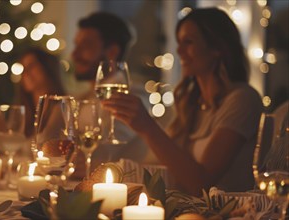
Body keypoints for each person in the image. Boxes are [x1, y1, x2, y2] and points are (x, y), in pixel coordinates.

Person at [101, 8, 262, 195]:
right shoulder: (188, 103)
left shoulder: (243, 99)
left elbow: (201, 183)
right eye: (179, 42)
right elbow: (157, 163)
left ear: (217, 48)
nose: (178, 50)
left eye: (188, 42)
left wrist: (147, 127)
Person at [71, 11, 149, 165]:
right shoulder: (80, 99)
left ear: (112, 52)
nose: (74, 54)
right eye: (76, 45)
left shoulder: (133, 99)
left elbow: (99, 158)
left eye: (85, 46)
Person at [14, 47, 65, 155]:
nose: (26, 73)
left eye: (31, 66)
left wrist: (4, 137)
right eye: (23, 68)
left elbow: (42, 145)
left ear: (46, 68)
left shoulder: (61, 107)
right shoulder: (25, 108)